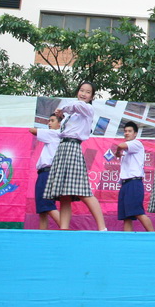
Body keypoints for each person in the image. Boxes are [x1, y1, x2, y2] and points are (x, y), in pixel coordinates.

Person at [42, 81, 107, 231]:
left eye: (87, 92)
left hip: (73, 148)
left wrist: (62, 109)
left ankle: (102, 228)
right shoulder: (70, 116)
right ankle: (64, 229)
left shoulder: (87, 108)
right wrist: (63, 114)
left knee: (83, 191)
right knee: (64, 194)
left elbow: (78, 105)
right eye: (81, 90)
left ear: (92, 96)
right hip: (63, 148)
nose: (83, 94)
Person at [113, 121, 154, 232]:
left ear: (135, 133)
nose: (127, 133)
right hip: (125, 183)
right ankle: (127, 240)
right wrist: (119, 152)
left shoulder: (136, 143)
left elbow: (120, 145)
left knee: (137, 212)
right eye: (125, 131)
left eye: (129, 131)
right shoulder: (127, 150)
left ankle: (154, 235)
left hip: (134, 182)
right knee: (126, 216)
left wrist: (117, 152)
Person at [29, 112, 62, 230]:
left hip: (47, 173)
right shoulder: (55, 135)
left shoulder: (54, 134)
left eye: (52, 121)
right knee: (42, 208)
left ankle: (66, 230)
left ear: (60, 124)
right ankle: (41, 234)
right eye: (49, 120)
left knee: (47, 205)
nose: (49, 123)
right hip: (44, 173)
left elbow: (32, 130)